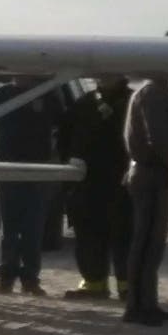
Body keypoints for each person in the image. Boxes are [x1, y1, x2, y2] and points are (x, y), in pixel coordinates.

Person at [0, 76, 63, 295]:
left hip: (38, 170)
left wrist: (54, 159)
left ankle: (30, 278)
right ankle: (6, 277)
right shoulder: (1, 94)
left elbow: (62, 128)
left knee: (34, 227)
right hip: (7, 168)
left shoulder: (47, 93)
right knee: (9, 228)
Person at [122, 64, 168, 326]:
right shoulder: (154, 93)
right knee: (148, 241)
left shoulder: (153, 91)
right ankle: (139, 305)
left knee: (150, 241)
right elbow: (159, 136)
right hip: (153, 174)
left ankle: (145, 302)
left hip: (151, 172)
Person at [58, 75, 133, 300]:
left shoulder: (133, 101)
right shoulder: (84, 103)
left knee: (125, 234)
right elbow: (64, 137)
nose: (104, 77)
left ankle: (128, 285)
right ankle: (93, 283)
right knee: (88, 234)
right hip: (87, 181)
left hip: (123, 181)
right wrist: (69, 167)